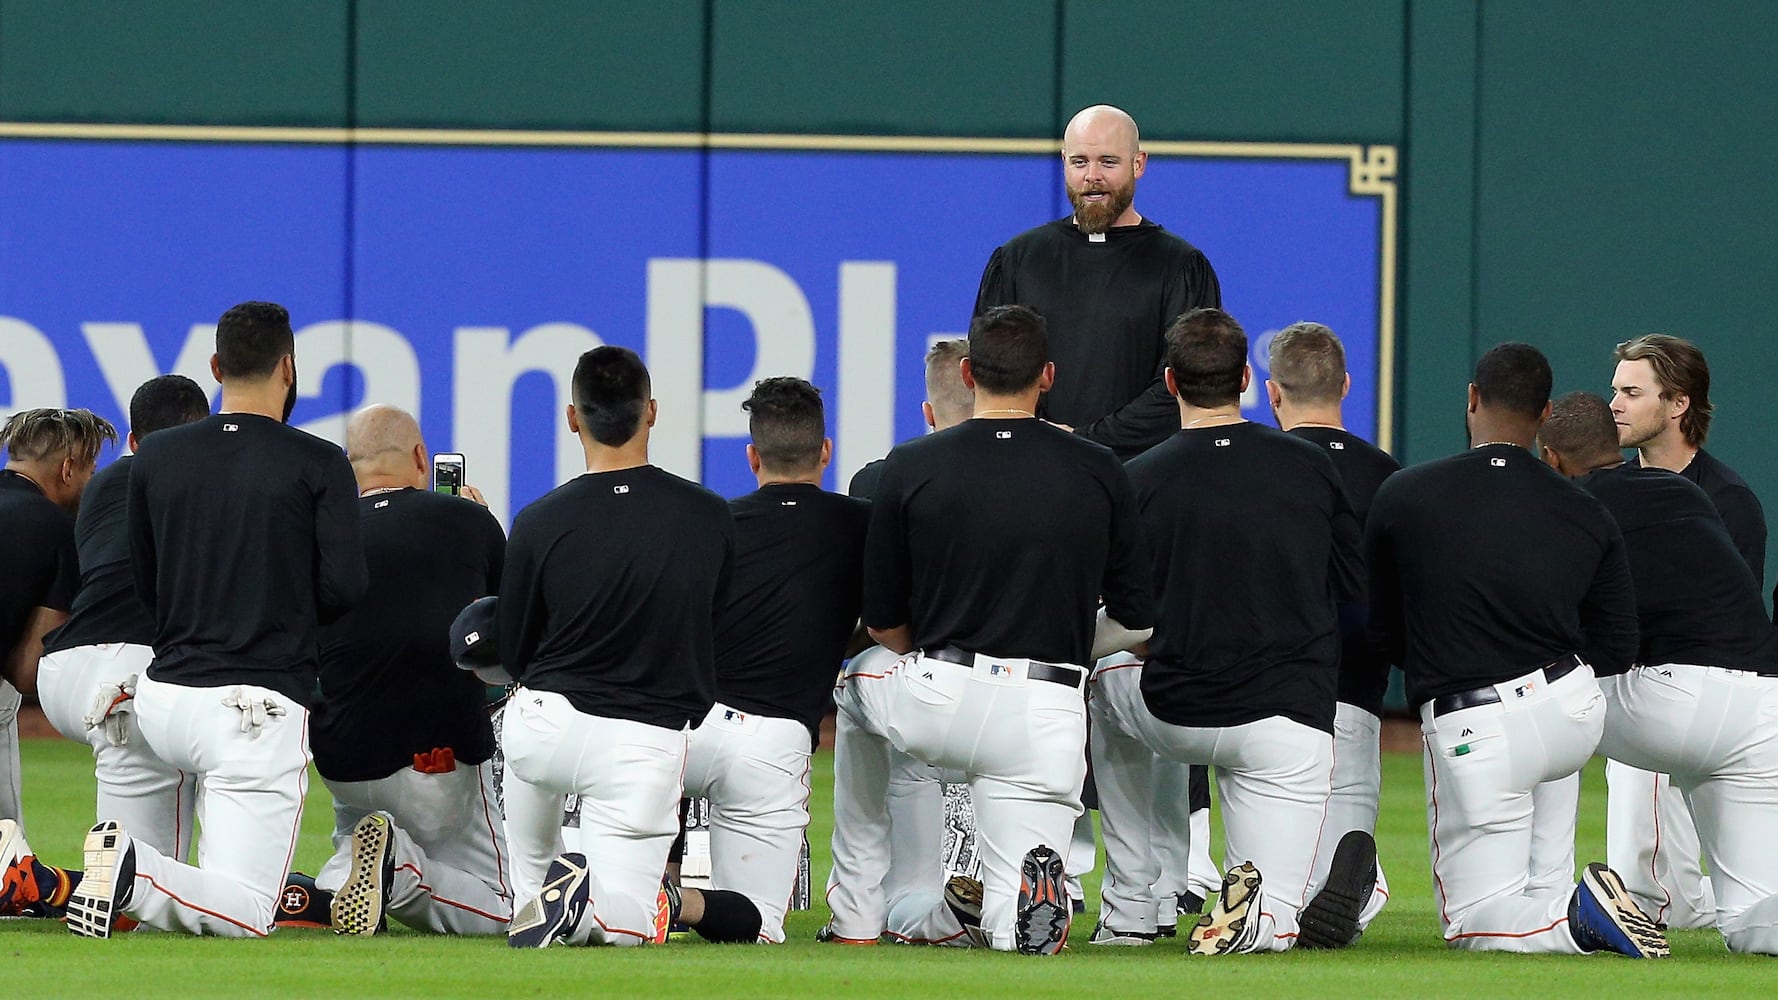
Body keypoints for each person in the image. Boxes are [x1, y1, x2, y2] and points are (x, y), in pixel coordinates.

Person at [832, 304, 1154, 954]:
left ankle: (858, 916)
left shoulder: (912, 465)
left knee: (856, 682)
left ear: (971, 372)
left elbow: (886, 623)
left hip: (938, 695)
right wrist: (1067, 644)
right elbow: (1137, 619)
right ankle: (1025, 908)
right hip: (1046, 712)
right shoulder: (1099, 468)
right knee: (1015, 893)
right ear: (1049, 377)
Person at [67, 300, 368, 939]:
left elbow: (147, 582)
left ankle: (132, 874)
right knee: (250, 912)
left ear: (214, 367)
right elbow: (345, 589)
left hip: (165, 699)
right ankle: (132, 871)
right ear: (289, 367)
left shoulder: (156, 457)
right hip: (252, 708)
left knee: (206, 900)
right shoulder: (318, 461)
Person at [1366, 342, 1663, 957]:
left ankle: (1578, 919)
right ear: (1545, 413)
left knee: (1472, 920)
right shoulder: (1585, 508)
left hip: (1475, 719)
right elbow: (1617, 643)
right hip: (1569, 708)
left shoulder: (1405, 494)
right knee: (1540, 874)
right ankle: (1566, 900)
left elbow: (1385, 628)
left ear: (1473, 399)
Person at [1088, 308, 1363, 954]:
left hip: (1177, 706)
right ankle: (1257, 917)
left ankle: (1134, 906)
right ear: (1246, 377)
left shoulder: (1138, 480)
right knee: (1276, 925)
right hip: (1288, 721)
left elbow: (1129, 616)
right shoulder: (1312, 467)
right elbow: (1352, 587)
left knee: (1109, 673)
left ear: (1170, 383)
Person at [500, 346, 735, 949]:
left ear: (573, 418)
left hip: (545, 726)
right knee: (628, 924)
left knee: (531, 889)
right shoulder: (709, 516)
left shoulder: (538, 520)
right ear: (651, 412)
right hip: (641, 741)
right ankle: (583, 911)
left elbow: (514, 651)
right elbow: (717, 624)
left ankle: (539, 899)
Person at [1540, 390, 1778, 953]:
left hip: (1671, 701)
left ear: (1551, 459)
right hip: (1762, 711)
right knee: (1751, 920)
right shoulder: (1680, 489)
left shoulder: (1572, 508)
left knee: (1532, 699)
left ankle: (1551, 906)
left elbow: (1588, 633)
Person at [676, 378, 869, 945]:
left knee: (618, 892)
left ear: (752, 456)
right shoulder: (863, 524)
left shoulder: (708, 523)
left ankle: (639, 890)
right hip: (774, 746)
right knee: (756, 926)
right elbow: (883, 624)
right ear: (826, 451)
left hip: (688, 729)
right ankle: (677, 901)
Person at [307, 404, 511, 936]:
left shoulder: (320, 536)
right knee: (506, 908)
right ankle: (398, 870)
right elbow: (502, 636)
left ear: (351, 469)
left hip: (341, 762)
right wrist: (481, 522)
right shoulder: (469, 520)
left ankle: (316, 895)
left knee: (356, 833)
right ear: (421, 458)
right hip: (437, 761)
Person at [21, 380, 208, 916]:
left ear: (131, 438)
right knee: (140, 895)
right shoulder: (201, 478)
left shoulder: (103, 485)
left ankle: (60, 879)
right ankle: (40, 878)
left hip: (61, 671)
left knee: (123, 860)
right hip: (134, 672)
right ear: (202, 430)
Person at [1607, 333, 1764, 930]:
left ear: (1677, 404)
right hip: (1635, 684)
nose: (1614, 404)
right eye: (1614, 390)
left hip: (1715, 696)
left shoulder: (1729, 500)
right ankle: (1639, 902)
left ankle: (1649, 905)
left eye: (1631, 392)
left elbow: (1734, 626)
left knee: (1748, 908)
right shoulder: (1607, 492)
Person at [826, 339, 976, 946]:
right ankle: (1064, 896)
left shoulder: (883, 477)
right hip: (1035, 697)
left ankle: (860, 911)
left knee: (864, 690)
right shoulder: (1052, 466)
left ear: (927, 410)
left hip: (921, 683)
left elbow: (872, 603)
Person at [973, 104, 1222, 458]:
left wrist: (1084, 439)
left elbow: (1184, 388)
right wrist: (1046, 440)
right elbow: (990, 377)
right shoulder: (1019, 260)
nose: (1092, 176)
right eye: (1079, 162)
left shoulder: (1180, 266)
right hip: (1033, 471)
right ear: (1063, 162)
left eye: (1107, 162)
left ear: (1139, 164)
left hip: (1138, 479)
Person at [1266, 322, 1401, 943]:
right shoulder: (1390, 477)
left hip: (1275, 679)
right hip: (1358, 679)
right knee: (1348, 802)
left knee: (1274, 809)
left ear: (1273, 394)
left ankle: (1277, 901)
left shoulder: (1260, 468)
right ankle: (1348, 892)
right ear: (1345, 385)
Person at [0, 406, 117, 915]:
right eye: (89, 468)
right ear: (68, 469)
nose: (90, 480)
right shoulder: (56, 529)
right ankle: (15, 878)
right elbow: (28, 669)